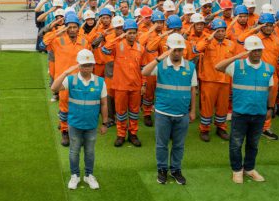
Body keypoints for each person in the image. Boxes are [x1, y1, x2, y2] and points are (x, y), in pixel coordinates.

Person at [215, 36, 274, 184]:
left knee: (253, 144)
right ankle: (237, 170)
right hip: (240, 113)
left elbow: (270, 89)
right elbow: (218, 67)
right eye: (253, 50)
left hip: (259, 113)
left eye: (259, 50)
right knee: (236, 144)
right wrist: (236, 56)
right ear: (247, 51)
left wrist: (270, 108)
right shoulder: (237, 65)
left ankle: (249, 169)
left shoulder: (268, 68)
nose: (256, 53)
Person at [142, 34, 197, 185]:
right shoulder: (161, 65)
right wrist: (160, 58)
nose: (177, 53)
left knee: (179, 145)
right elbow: (144, 72)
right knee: (162, 144)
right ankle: (162, 169)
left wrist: (192, 111)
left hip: (182, 113)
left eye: (180, 50)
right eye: (174, 50)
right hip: (163, 113)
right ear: (168, 49)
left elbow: (193, 89)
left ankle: (176, 169)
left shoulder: (190, 67)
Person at [51, 49, 107, 190]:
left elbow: (104, 104)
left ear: (93, 65)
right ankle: (75, 175)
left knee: (90, 152)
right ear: (78, 65)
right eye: (83, 65)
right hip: (75, 124)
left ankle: (89, 175)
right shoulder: (71, 80)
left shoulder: (100, 82)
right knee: (74, 152)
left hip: (91, 125)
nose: (86, 68)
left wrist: (105, 123)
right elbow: (54, 88)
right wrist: (65, 72)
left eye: (89, 65)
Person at [43, 13, 91, 147]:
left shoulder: (84, 41)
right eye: (69, 27)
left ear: (78, 28)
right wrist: (58, 32)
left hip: (80, 80)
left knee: (79, 107)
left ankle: (77, 131)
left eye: (75, 27)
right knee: (64, 106)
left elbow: (88, 61)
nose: (72, 30)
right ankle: (64, 132)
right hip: (64, 81)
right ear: (65, 28)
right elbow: (43, 43)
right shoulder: (58, 41)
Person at [102, 19, 151, 147]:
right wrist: (119, 37)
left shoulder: (141, 48)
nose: (132, 35)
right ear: (124, 33)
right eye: (129, 32)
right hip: (120, 86)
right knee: (121, 112)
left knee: (134, 112)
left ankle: (133, 134)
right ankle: (121, 135)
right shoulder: (117, 45)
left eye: (134, 32)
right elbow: (105, 49)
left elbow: (143, 68)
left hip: (135, 86)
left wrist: (144, 84)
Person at [237, 13, 279, 140]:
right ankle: (250, 126)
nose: (269, 28)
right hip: (255, 75)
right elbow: (240, 39)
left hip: (272, 77)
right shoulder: (254, 38)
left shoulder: (277, 40)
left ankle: (265, 128)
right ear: (261, 25)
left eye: (271, 25)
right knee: (253, 101)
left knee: (269, 104)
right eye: (266, 25)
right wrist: (255, 29)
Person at [193, 19, 241, 142]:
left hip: (225, 80)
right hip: (209, 80)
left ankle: (221, 128)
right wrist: (208, 39)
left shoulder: (231, 44)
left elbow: (235, 62)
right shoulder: (206, 42)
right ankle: (204, 129)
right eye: (217, 31)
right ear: (213, 31)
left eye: (222, 31)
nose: (220, 33)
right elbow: (196, 50)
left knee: (223, 106)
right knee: (207, 107)